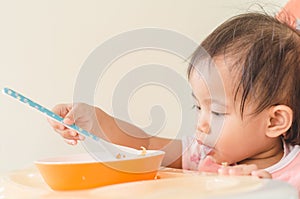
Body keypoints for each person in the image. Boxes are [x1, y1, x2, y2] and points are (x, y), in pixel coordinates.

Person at [48, 12, 300, 193]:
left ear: (275, 121)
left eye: (218, 113)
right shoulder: (198, 154)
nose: (201, 124)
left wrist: (268, 191)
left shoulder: (294, 174)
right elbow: (145, 144)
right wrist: (97, 121)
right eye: (199, 107)